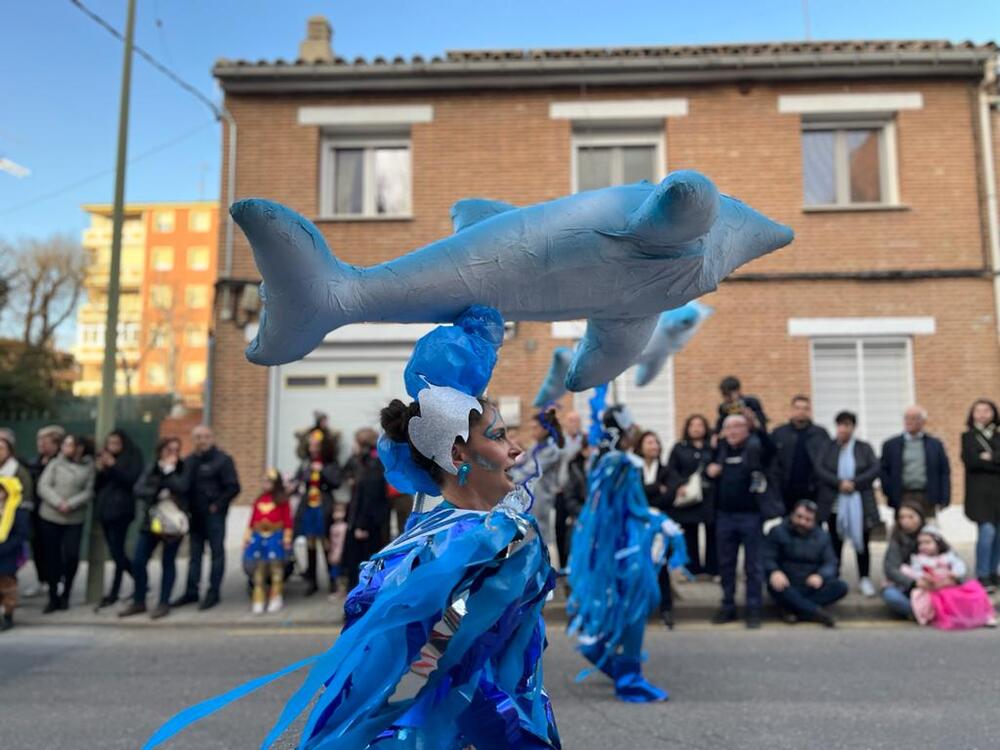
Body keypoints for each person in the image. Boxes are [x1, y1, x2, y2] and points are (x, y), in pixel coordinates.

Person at [145, 306, 561, 749]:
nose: (516, 449)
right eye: (498, 437)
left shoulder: (435, 532)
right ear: (458, 457)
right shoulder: (498, 539)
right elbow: (446, 658)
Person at [568, 406, 687, 702]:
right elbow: (626, 508)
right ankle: (629, 677)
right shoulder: (620, 463)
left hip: (620, 543)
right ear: (623, 429)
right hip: (626, 545)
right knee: (635, 605)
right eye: (631, 423)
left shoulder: (606, 460)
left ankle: (600, 649)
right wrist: (659, 522)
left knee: (632, 602)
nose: (636, 427)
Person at [707, 413, 778, 628]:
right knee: (726, 565)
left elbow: (771, 450)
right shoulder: (718, 450)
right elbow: (702, 473)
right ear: (724, 431)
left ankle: (753, 609)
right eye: (730, 427)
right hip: (724, 517)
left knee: (753, 566)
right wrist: (709, 471)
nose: (734, 431)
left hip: (751, 516)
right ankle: (728, 606)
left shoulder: (756, 448)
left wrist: (757, 426)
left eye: (739, 427)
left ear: (747, 430)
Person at [173, 426, 240, 612]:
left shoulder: (223, 460)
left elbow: (233, 487)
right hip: (195, 515)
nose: (202, 440)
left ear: (212, 438)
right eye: (198, 437)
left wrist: (217, 505)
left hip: (214, 515)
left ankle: (213, 592)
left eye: (205, 437)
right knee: (194, 555)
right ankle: (191, 591)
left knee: (216, 554)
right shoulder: (189, 461)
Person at [813, 411, 880, 597]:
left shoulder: (863, 448)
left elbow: (874, 468)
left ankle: (864, 578)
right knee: (835, 542)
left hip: (860, 503)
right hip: (835, 504)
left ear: (853, 427)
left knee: (862, 543)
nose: (843, 429)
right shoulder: (828, 447)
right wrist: (839, 483)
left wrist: (854, 483)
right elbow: (820, 469)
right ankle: (834, 576)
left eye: (847, 425)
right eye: (840, 425)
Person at [123, 437, 189, 619]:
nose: (172, 454)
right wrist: (157, 491)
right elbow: (139, 490)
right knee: (138, 561)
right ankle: (139, 600)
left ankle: (163, 602)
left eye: (176, 450)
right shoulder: (151, 467)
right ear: (160, 451)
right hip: (151, 521)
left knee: (168, 562)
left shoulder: (182, 468)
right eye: (169, 450)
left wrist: (168, 473)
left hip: (174, 523)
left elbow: (183, 487)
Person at [763, 500, 847, 627]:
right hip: (786, 581)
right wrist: (774, 571)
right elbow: (767, 557)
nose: (802, 522)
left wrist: (821, 575)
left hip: (810, 583)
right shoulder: (777, 532)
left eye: (807, 520)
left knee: (841, 587)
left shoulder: (823, 536)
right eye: (799, 517)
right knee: (776, 586)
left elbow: (831, 562)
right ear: (792, 515)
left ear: (814, 521)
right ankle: (816, 612)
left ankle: (794, 610)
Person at [36, 434, 95, 612]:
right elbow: (43, 486)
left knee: (71, 555)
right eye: (65, 445)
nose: (66, 448)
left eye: (70, 445)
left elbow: (89, 491)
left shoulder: (89, 467)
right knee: (52, 557)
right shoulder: (55, 463)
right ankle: (53, 596)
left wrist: (70, 504)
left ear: (80, 448)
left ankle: (66, 593)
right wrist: (58, 502)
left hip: (74, 518)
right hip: (51, 515)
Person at [900, 525, 996, 629]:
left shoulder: (948, 556)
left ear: (938, 543)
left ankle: (985, 616)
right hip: (934, 589)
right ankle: (955, 618)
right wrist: (923, 576)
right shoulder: (919, 559)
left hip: (950, 584)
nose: (923, 546)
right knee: (947, 598)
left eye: (927, 543)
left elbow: (960, 565)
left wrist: (954, 573)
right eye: (920, 543)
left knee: (975, 591)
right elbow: (913, 571)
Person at [94, 430, 144, 609]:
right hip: (105, 510)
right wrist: (100, 469)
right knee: (117, 553)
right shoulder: (105, 459)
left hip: (121, 511)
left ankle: (114, 592)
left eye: (116, 443)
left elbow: (130, 480)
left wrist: (113, 466)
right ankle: (140, 581)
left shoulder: (132, 456)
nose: (113, 446)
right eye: (110, 443)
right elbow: (98, 486)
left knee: (118, 552)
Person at [664, 414, 717, 578]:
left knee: (712, 533)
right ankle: (692, 569)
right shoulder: (679, 447)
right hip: (688, 497)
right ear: (687, 428)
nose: (696, 428)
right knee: (689, 534)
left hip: (709, 497)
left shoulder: (712, 447)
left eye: (700, 425)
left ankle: (712, 569)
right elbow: (671, 470)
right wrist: (680, 485)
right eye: (692, 425)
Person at [636, 430, 677, 628]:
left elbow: (669, 497)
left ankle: (666, 609)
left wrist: (649, 491)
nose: (653, 446)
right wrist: (654, 488)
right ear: (641, 447)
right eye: (649, 442)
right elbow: (635, 496)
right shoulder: (634, 470)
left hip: (660, 526)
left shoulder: (667, 470)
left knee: (661, 567)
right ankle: (640, 608)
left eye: (656, 443)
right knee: (638, 566)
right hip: (638, 526)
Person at [292, 430, 341, 596]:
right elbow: (298, 479)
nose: (312, 449)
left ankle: (332, 580)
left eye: (316, 446)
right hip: (309, 508)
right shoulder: (306, 463)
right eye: (311, 445)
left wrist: (322, 472)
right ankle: (311, 581)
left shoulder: (331, 463)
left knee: (327, 545)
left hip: (324, 506)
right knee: (310, 545)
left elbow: (336, 483)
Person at [880, 406, 951, 518]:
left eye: (914, 418)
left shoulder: (935, 445)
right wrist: (889, 492)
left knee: (927, 531)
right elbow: (884, 471)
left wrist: (944, 498)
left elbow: (944, 472)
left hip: (927, 496)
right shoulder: (891, 445)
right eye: (907, 418)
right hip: (902, 496)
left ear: (923, 422)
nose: (909, 422)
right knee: (904, 530)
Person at [961, 398, 1000, 592]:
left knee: (999, 535)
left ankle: (994, 572)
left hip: (998, 494)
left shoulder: (998, 435)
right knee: (987, 532)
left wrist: (990, 457)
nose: (983, 414)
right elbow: (972, 461)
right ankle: (982, 574)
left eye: (987, 410)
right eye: (978, 411)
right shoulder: (968, 437)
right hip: (979, 496)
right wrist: (993, 459)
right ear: (972, 414)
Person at [341, 428, 388, 590]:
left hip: (367, 526)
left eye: (355, 442)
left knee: (361, 565)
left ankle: (360, 603)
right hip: (362, 522)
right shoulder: (364, 462)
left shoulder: (373, 465)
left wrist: (361, 525)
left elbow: (370, 498)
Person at [244, 469, 293, 615]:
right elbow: (252, 520)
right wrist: (247, 536)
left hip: (275, 538)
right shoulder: (259, 500)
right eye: (263, 481)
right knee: (258, 570)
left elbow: (287, 521)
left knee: (276, 570)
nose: (265, 484)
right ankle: (258, 597)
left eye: (268, 481)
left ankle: (275, 597)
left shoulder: (282, 501)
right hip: (259, 538)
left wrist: (287, 538)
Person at [770, 395, 830, 513]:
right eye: (798, 408)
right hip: (786, 492)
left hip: (813, 491)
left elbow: (828, 461)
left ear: (809, 411)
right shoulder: (779, 433)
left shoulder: (820, 434)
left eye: (805, 408)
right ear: (791, 410)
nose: (801, 411)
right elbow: (772, 462)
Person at [24, 425, 64, 597]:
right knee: (37, 547)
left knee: (54, 549)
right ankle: (42, 581)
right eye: (39, 440)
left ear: (56, 443)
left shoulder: (61, 463)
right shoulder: (35, 462)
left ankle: (57, 580)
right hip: (35, 511)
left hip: (54, 511)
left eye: (44, 441)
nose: (40, 444)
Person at [881, 500, 927, 618]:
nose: (906, 521)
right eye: (902, 517)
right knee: (891, 595)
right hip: (906, 584)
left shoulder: (931, 535)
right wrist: (913, 583)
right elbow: (891, 569)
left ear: (920, 517)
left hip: (930, 582)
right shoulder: (896, 539)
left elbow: (950, 559)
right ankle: (919, 612)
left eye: (911, 517)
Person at [554, 409, 583, 570]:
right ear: (565, 423)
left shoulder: (583, 441)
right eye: (571, 421)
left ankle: (577, 563)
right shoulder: (559, 442)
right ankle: (563, 565)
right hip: (560, 491)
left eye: (577, 421)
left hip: (577, 491)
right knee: (560, 527)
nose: (575, 424)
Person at [0, 476, 30, 631]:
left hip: (8, 555)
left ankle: (8, 616)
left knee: (8, 587)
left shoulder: (17, 511)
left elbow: (21, 534)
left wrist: (6, 547)